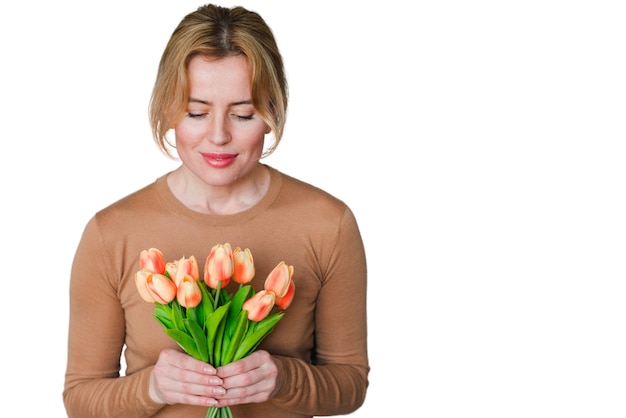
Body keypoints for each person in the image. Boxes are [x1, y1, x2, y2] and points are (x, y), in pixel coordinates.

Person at [63, 4, 369, 418]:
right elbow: (80, 397)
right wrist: (151, 388)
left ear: (271, 114)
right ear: (169, 110)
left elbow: (350, 383)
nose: (219, 135)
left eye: (243, 114)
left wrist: (284, 379)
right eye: (196, 112)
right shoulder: (111, 232)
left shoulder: (327, 224)